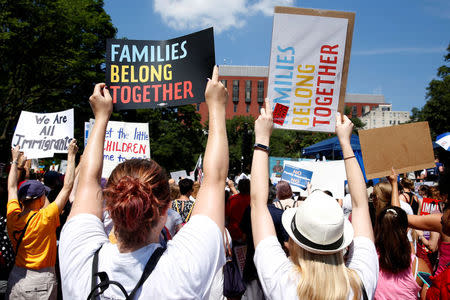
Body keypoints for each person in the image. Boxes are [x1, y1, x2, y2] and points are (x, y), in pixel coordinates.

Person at [59, 66, 230, 299]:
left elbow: (87, 181)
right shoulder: (183, 268)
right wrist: (217, 108)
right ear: (166, 210)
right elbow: (216, 179)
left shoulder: (78, 256)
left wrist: (100, 118)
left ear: (110, 205)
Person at [250, 105, 378, 299]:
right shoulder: (361, 283)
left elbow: (258, 206)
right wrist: (346, 143)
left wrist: (262, 139)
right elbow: (360, 206)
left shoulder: (281, 282)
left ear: (293, 240)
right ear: (342, 242)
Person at [6, 139, 77, 299]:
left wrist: (15, 159)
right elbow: (67, 187)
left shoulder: (12, 215)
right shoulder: (45, 218)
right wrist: (71, 156)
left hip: (16, 277)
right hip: (40, 282)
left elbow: (11, 187)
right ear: (39, 200)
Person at [374, 206, 430, 299]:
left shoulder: (369, 261)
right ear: (407, 228)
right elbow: (428, 296)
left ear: (378, 228)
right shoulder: (419, 267)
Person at [225, 178, 250, 242]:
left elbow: (226, 217)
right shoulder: (253, 200)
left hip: (234, 233)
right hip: (249, 234)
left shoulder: (232, 199)